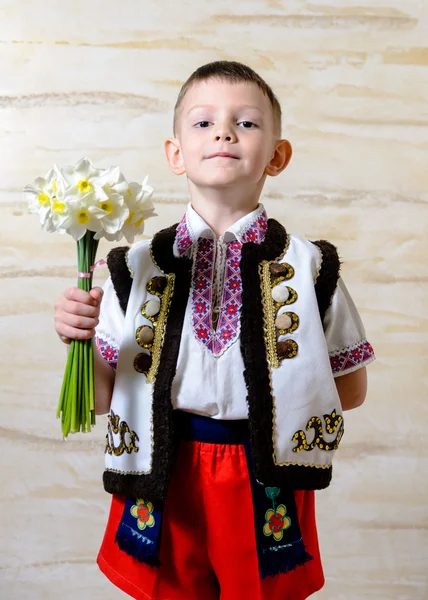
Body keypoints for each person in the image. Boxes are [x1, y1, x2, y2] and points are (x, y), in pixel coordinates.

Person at [54, 61, 376, 600]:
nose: (224, 132)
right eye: (203, 123)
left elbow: (350, 389)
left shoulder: (313, 268)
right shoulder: (130, 269)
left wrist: (284, 402)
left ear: (277, 156)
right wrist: (79, 342)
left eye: (246, 123)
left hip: (265, 472)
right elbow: (102, 399)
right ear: (175, 153)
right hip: (162, 467)